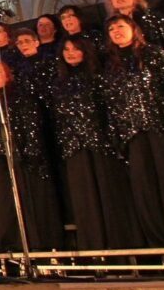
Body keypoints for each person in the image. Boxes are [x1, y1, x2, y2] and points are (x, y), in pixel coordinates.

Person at [97, 14, 164, 246]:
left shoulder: (153, 54)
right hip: (133, 135)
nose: (116, 31)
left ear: (134, 29)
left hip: (161, 128)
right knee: (145, 192)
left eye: (121, 26)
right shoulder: (111, 65)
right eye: (111, 29)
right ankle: (160, 244)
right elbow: (112, 103)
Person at [48, 37, 139, 250]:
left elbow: (112, 110)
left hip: (101, 142)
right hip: (74, 146)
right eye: (66, 49)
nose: (70, 53)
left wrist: (113, 139)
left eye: (75, 49)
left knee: (110, 197)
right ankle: (95, 251)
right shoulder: (59, 83)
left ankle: (123, 249)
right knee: (84, 200)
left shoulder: (99, 77)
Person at [0, 61, 62, 251]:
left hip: (20, 154)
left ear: (7, 74)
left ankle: (36, 247)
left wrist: (30, 151)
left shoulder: (21, 97)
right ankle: (11, 248)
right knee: (3, 203)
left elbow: (32, 126)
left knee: (26, 201)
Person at [11, 28, 54, 101]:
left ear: (36, 43)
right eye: (20, 42)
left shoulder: (47, 61)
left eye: (27, 41)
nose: (23, 45)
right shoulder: (18, 67)